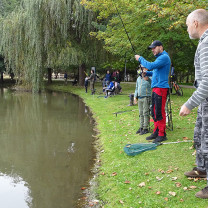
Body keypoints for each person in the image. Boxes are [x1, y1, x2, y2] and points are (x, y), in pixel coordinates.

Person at [179, 9, 208, 199]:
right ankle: (202, 169)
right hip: (204, 100)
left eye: (188, 24)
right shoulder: (203, 41)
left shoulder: (206, 44)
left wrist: (189, 103)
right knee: (200, 137)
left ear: (196, 23)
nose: (187, 28)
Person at [135, 40, 171, 143]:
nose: (153, 50)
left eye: (154, 48)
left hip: (161, 88)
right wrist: (147, 73)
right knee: (154, 111)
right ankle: (156, 131)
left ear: (160, 47)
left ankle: (162, 134)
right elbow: (154, 71)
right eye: (152, 49)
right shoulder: (159, 59)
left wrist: (140, 58)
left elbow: (150, 65)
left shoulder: (164, 57)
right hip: (155, 88)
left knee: (159, 111)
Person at [134, 65, 151, 135]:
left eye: (143, 68)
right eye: (141, 68)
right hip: (140, 97)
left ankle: (145, 128)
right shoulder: (138, 78)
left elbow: (152, 83)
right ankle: (141, 127)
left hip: (146, 97)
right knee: (141, 113)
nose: (142, 70)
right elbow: (136, 88)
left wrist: (148, 79)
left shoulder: (149, 77)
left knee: (145, 113)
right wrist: (135, 97)